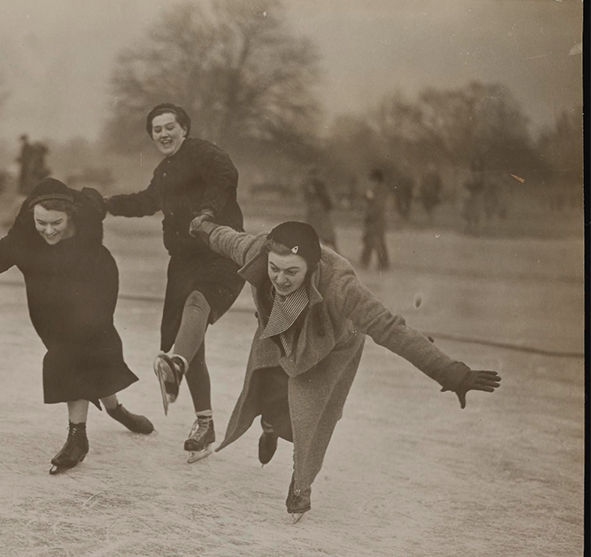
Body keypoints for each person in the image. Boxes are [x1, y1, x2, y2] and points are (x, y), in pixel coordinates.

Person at [187, 217, 501, 522]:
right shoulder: (258, 250)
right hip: (280, 332)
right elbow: (227, 239)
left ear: (312, 267)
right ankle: (269, 426)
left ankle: (301, 485)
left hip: (329, 347)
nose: (280, 279)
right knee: (267, 391)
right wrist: (203, 226)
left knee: (310, 417)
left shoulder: (341, 286)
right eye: (274, 269)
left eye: (292, 272)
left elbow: (389, 327)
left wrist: (451, 373)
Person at [0, 178, 154, 474]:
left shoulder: (87, 211)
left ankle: (78, 435)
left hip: (96, 283)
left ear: (70, 215)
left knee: (78, 349)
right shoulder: (22, 237)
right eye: (41, 222)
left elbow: (98, 198)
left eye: (56, 223)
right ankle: (115, 409)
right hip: (48, 300)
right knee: (84, 354)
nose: (48, 230)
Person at [105, 102, 245, 463]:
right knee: (190, 338)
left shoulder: (202, 152)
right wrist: (102, 204)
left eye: (170, 127)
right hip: (183, 261)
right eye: (157, 130)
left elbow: (225, 174)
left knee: (197, 305)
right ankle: (205, 423)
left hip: (219, 251)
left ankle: (176, 365)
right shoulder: (165, 170)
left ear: (184, 128)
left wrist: (208, 212)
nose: (164, 134)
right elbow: (146, 201)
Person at [301, 166, 338, 252]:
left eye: (314, 174)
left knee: (326, 231)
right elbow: (307, 198)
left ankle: (335, 250)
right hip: (314, 211)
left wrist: (327, 206)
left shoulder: (319, 184)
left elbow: (325, 197)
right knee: (314, 231)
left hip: (320, 210)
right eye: (311, 174)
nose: (312, 176)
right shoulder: (309, 185)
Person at [360, 169, 390, 271]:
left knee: (376, 242)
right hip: (373, 220)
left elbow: (378, 206)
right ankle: (366, 262)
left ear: (376, 180)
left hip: (376, 220)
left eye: (372, 180)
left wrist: (370, 215)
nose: (370, 183)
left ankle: (382, 263)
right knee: (371, 241)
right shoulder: (375, 190)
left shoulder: (380, 190)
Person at [462, 158, 485, 235]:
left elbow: (482, 185)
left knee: (476, 213)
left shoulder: (481, 175)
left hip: (477, 195)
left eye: (478, 165)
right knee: (469, 213)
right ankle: (468, 229)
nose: (477, 166)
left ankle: (476, 231)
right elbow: (465, 183)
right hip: (470, 195)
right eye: (475, 164)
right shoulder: (470, 175)